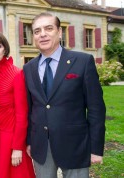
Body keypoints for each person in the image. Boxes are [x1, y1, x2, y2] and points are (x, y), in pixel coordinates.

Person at [23, 12, 106, 178]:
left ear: (60, 32)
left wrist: (96, 149)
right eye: (37, 31)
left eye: (48, 28)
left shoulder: (83, 61)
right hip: (41, 147)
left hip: (75, 145)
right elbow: (31, 107)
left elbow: (96, 108)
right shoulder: (28, 68)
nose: (43, 34)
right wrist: (30, 141)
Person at [0, 31, 35, 178]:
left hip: (10, 138)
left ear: (5, 49)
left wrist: (18, 148)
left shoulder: (17, 74)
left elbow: (22, 113)